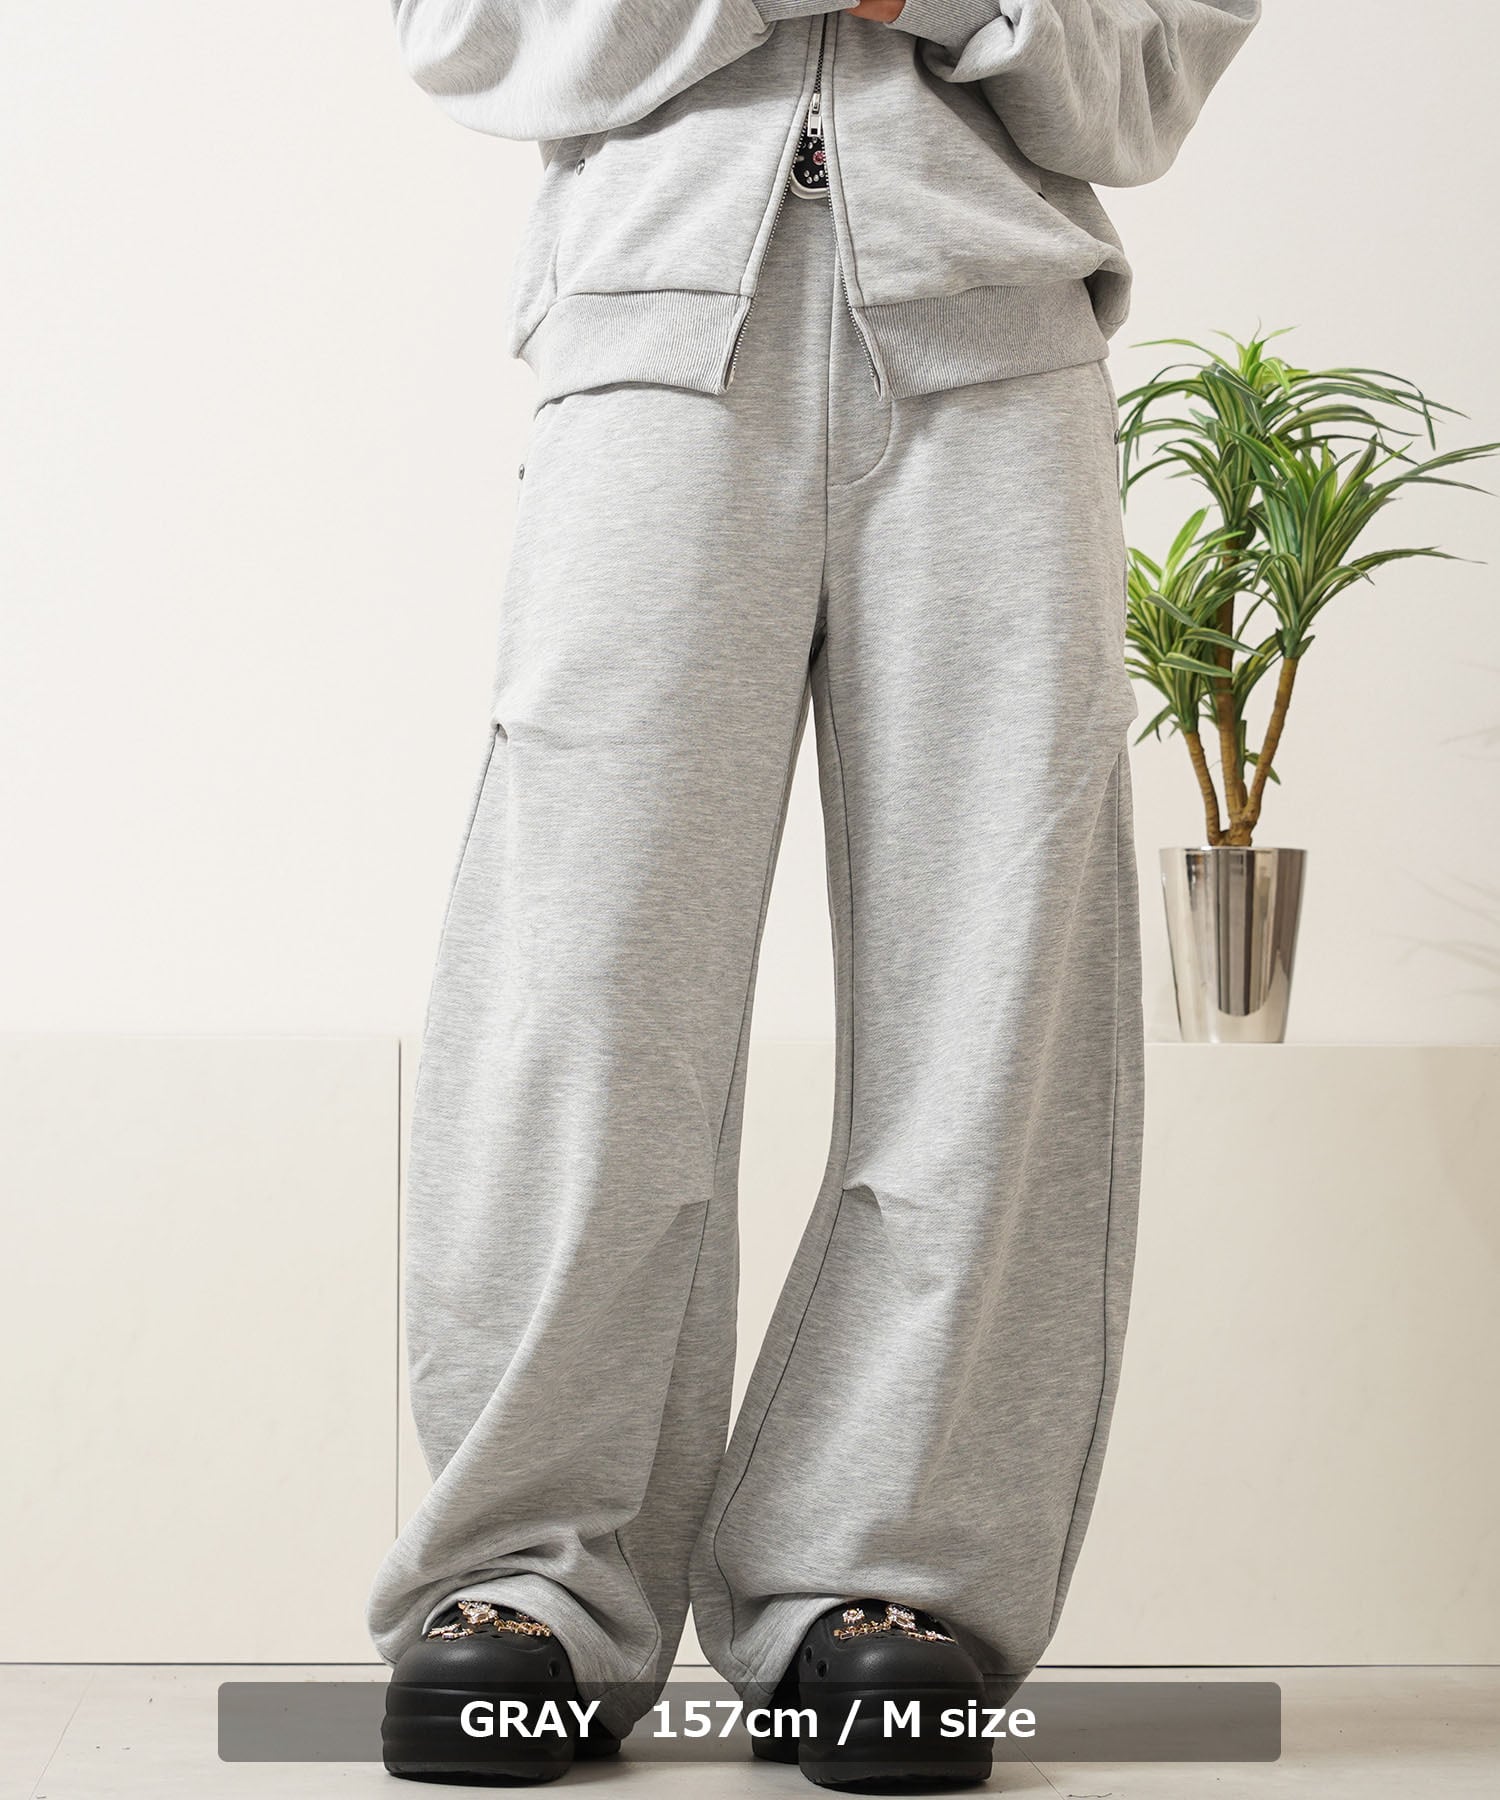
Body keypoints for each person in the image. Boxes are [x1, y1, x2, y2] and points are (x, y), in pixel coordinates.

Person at [368, 0, 1260, 1787]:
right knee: (582, 971)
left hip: (997, 355)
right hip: (650, 347)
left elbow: (1153, 73)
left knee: (992, 979)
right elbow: (468, 32)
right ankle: (531, 1576)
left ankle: (889, 1577)